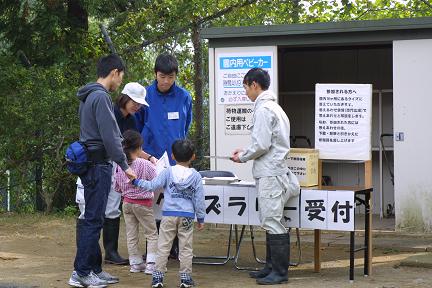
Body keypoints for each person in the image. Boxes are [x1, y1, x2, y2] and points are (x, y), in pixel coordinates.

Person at [68, 54, 137, 288]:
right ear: (114, 72)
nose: (120, 83)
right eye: (121, 77)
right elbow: (109, 137)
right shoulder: (101, 97)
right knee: (93, 220)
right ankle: (81, 272)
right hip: (98, 165)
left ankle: (95, 269)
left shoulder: (87, 96)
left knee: (93, 218)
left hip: (90, 163)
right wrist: (125, 166)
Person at [75, 82, 157, 267]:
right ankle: (88, 254)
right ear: (125, 98)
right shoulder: (108, 109)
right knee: (89, 209)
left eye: (140, 103)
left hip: (119, 166)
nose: (137, 106)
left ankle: (111, 252)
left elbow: (132, 146)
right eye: (134, 102)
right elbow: (110, 140)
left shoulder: (132, 119)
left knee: (112, 207)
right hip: (100, 163)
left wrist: (150, 157)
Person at [231, 68, 292, 285]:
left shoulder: (265, 109)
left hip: (270, 174)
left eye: (246, 88)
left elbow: (261, 145)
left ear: (254, 85)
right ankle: (270, 267)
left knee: (272, 220)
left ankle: (280, 272)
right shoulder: (274, 107)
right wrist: (247, 152)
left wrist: (243, 156)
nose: (246, 93)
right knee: (269, 219)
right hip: (273, 171)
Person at [135, 53, 192, 259]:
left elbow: (186, 124)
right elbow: (138, 124)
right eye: (162, 76)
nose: (166, 81)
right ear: (155, 74)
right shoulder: (146, 96)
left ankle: (173, 247)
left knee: (175, 203)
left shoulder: (184, 96)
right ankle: (154, 248)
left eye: (171, 77)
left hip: (176, 159)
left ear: (176, 76)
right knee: (150, 204)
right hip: (150, 157)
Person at [132, 139, 205, 288]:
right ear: (193, 157)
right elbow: (199, 199)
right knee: (185, 248)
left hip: (169, 215)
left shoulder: (168, 172)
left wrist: (136, 181)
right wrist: (201, 218)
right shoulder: (196, 176)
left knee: (163, 246)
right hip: (187, 216)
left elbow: (152, 185)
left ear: (172, 156)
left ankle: (157, 278)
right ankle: (185, 279)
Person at [114, 130, 159, 275]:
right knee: (151, 233)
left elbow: (116, 187)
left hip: (126, 203)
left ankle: (135, 264)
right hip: (143, 204)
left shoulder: (119, 166)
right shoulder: (144, 164)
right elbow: (156, 179)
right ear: (139, 148)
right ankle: (151, 264)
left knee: (131, 234)